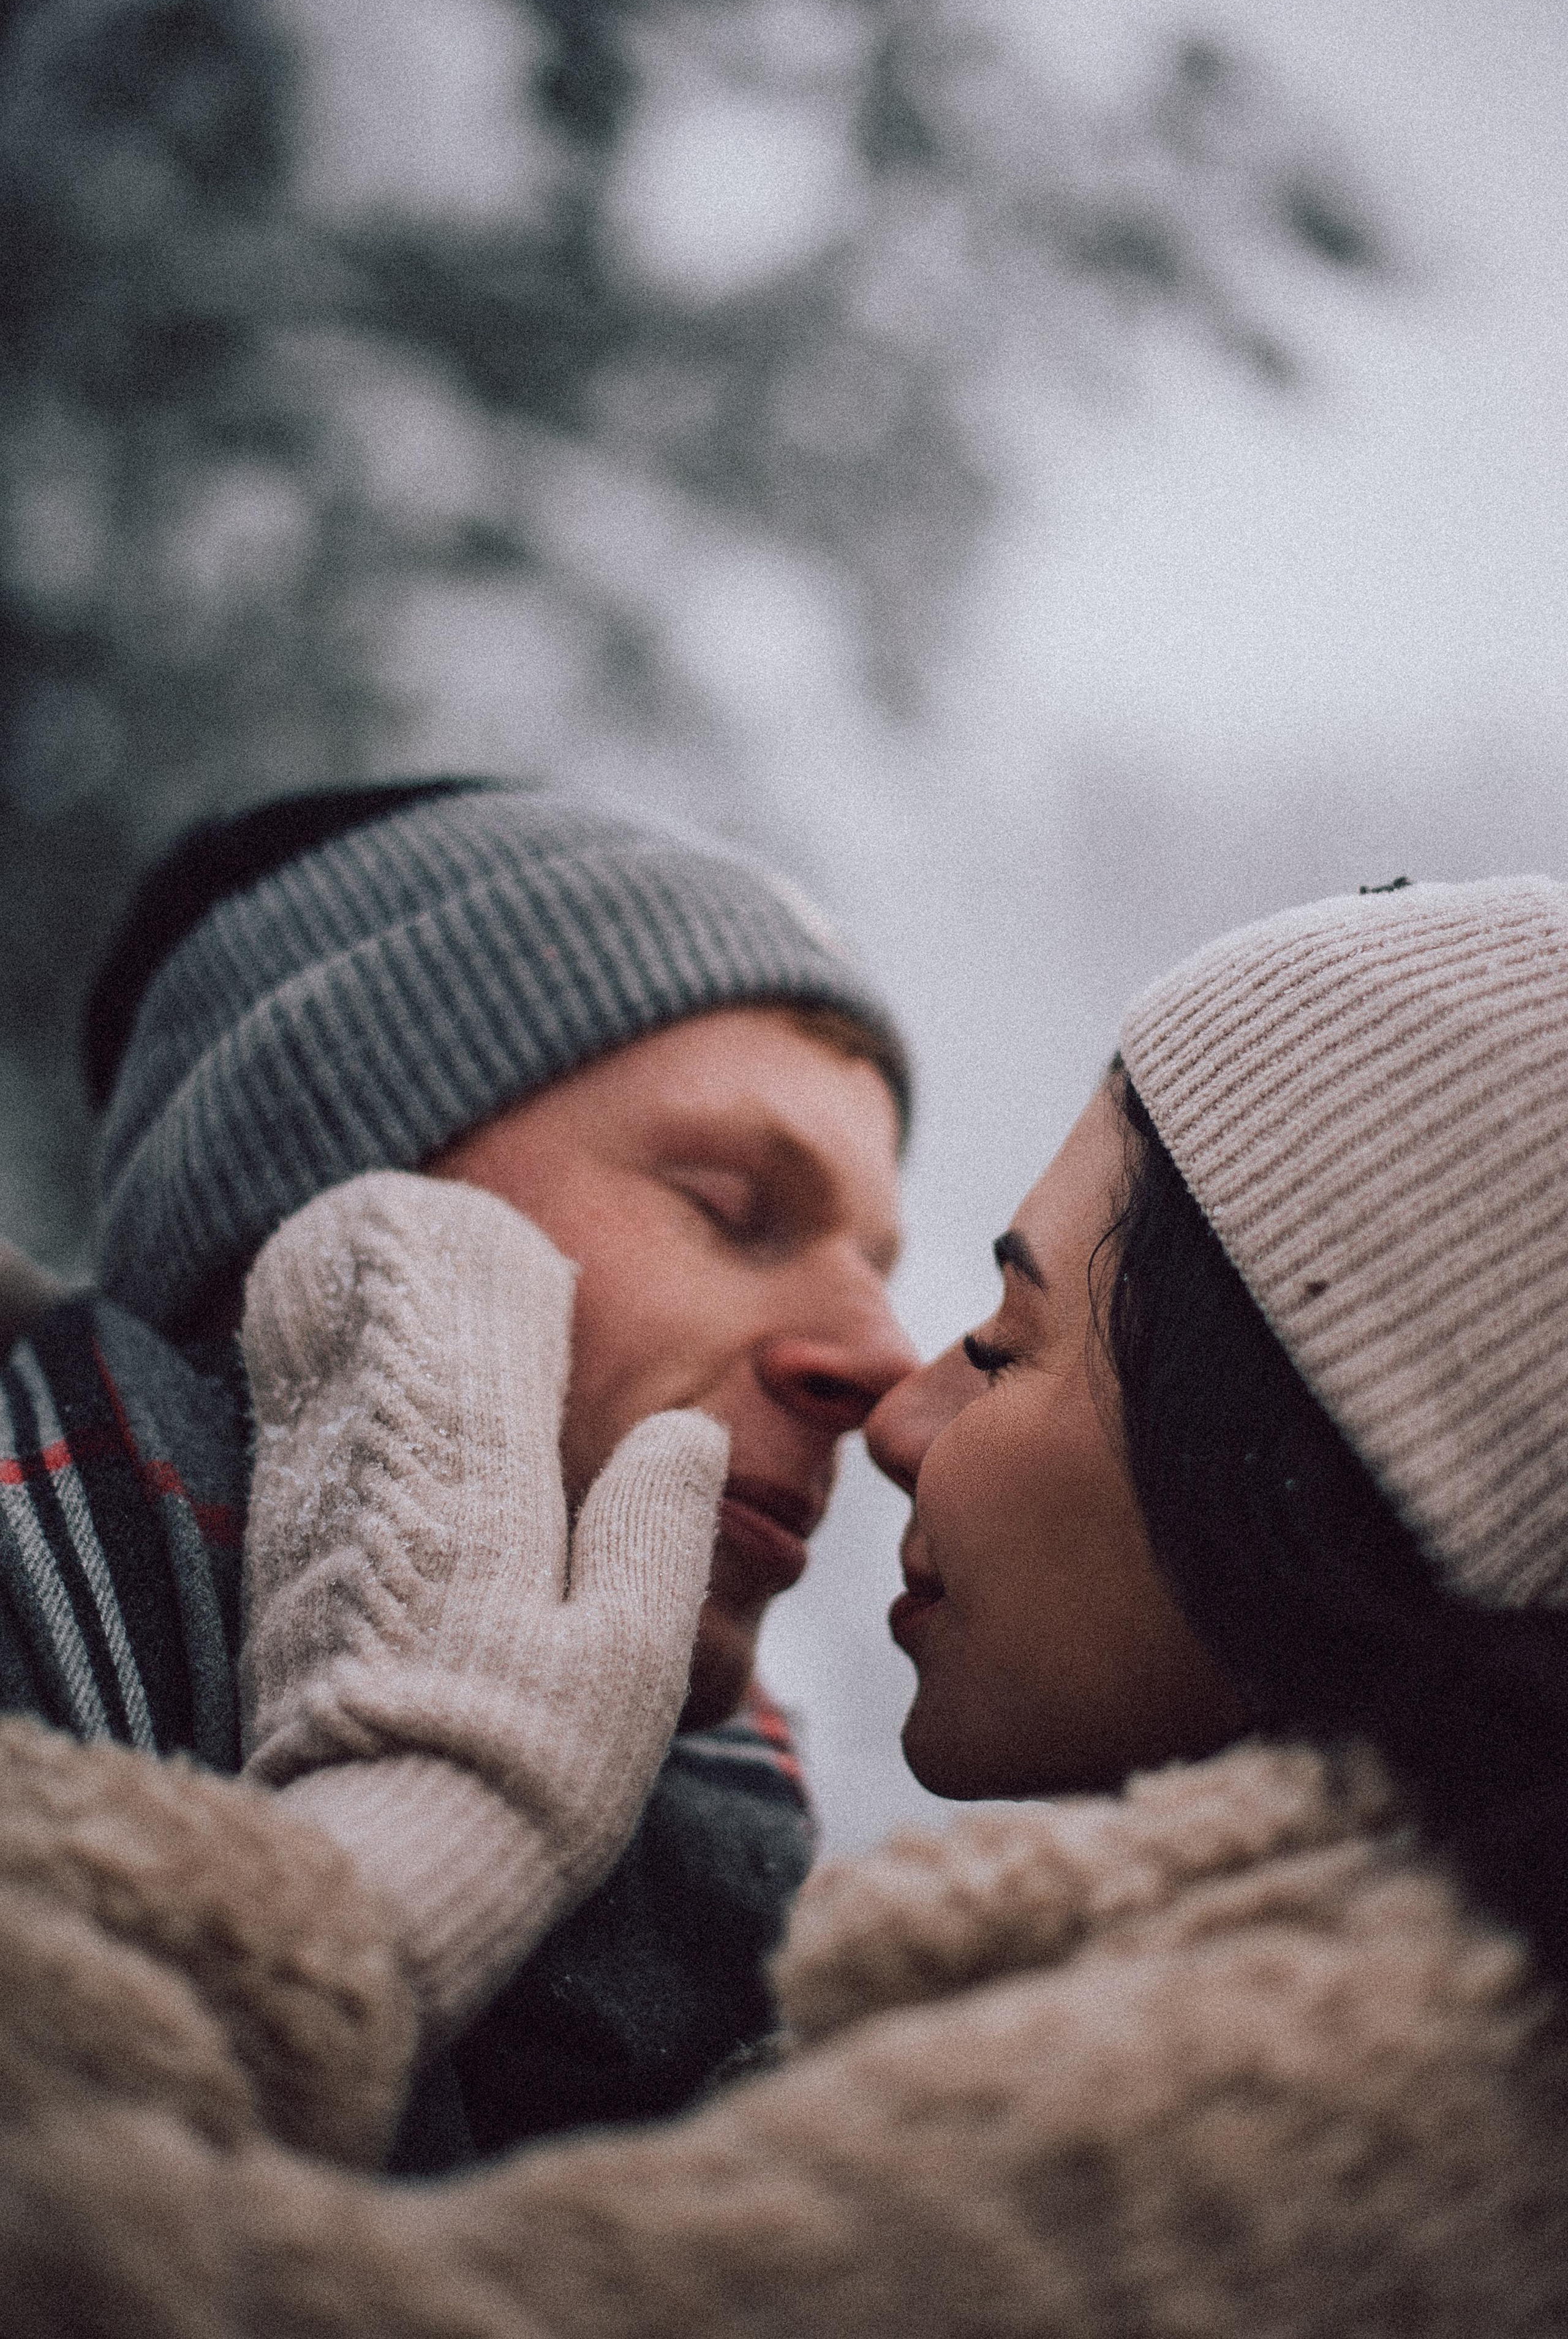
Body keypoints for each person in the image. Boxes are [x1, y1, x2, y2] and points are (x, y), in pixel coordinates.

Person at [6, 871, 1568, 2339]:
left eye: (1007, 1339)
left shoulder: (1264, 2126)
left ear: (1283, 1436)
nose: (888, 1387)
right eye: (730, 1205)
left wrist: (420, 1820)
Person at [0, 777, 916, 2166]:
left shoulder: (794, 1997)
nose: (885, 1357)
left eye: (879, 1265)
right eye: (735, 1209)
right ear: (328, 1202)